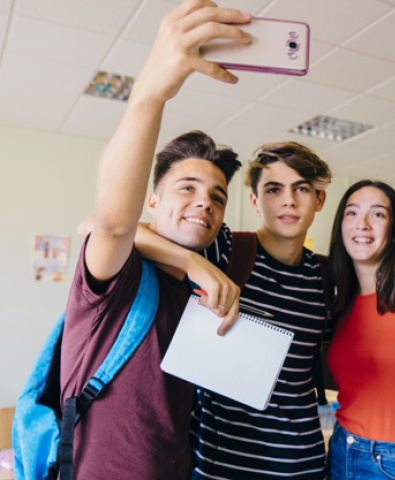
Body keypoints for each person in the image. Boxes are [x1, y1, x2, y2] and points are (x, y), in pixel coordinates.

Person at [58, 1, 250, 477]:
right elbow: (111, 225)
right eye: (187, 188)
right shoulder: (115, 275)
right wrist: (149, 95)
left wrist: (195, 267)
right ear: (152, 202)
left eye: (217, 196)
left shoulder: (202, 293)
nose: (204, 202)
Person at [114, 141, 333, 478]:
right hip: (218, 464)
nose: (288, 200)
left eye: (301, 189)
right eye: (274, 189)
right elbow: (107, 231)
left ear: (319, 199)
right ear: (255, 201)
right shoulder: (227, 248)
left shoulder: (327, 277)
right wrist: (192, 262)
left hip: (299, 464)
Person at [325, 180, 395, 480]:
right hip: (341, 448)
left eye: (377, 214)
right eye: (351, 213)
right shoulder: (339, 304)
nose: (361, 224)